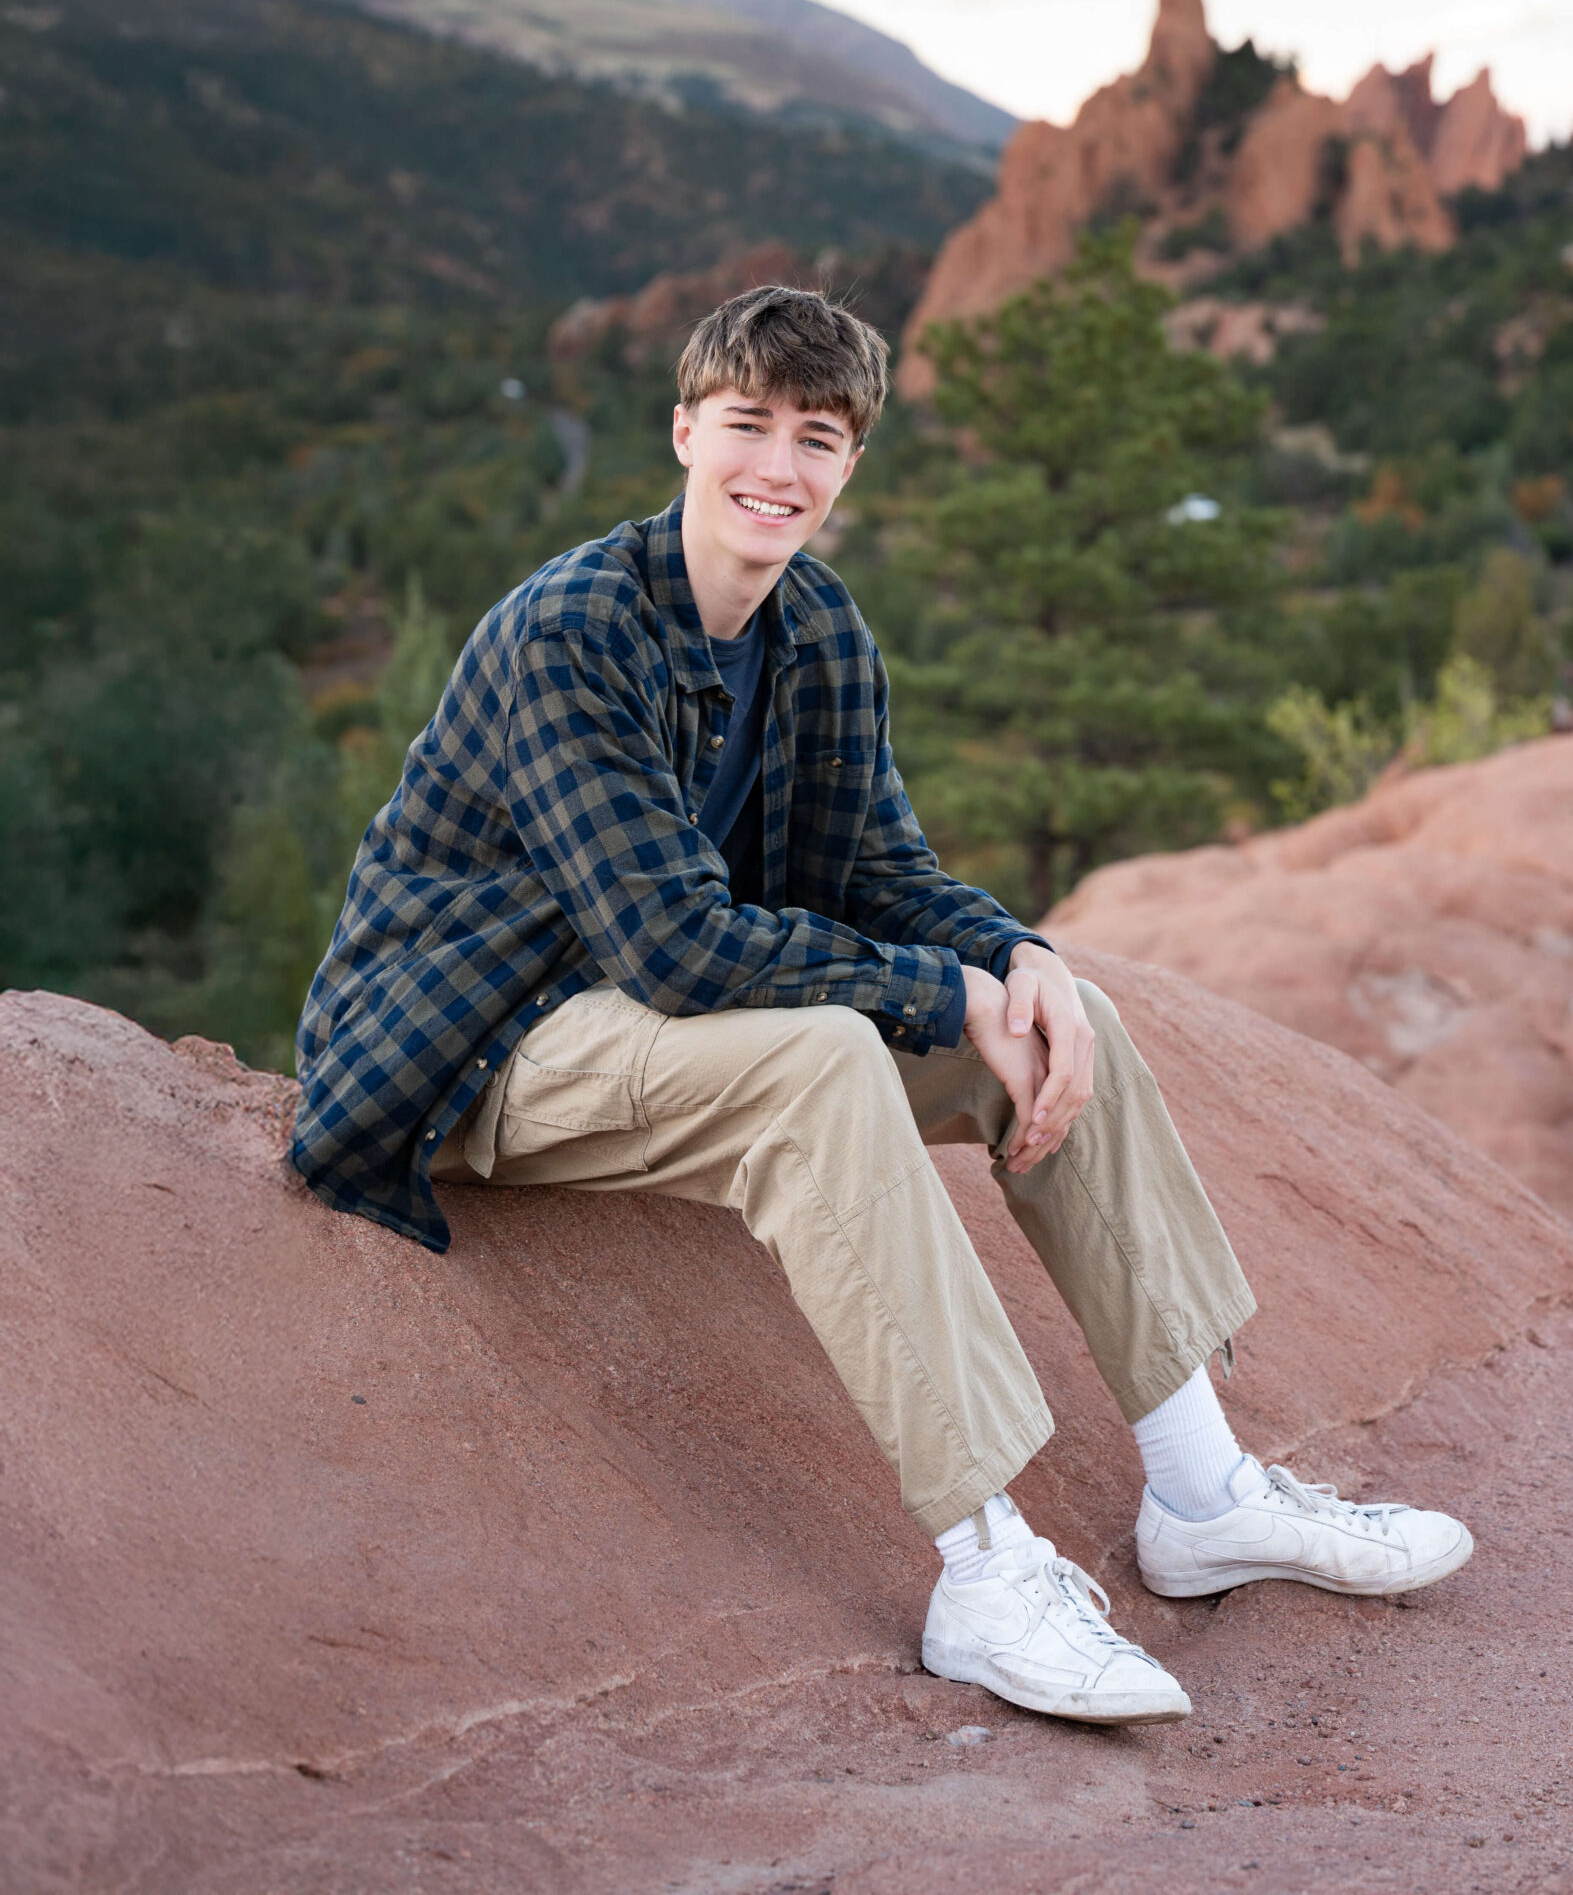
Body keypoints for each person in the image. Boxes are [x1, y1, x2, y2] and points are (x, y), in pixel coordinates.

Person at [293, 283, 1472, 1728]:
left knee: (1053, 1019)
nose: (777, 468)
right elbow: (672, 947)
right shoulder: (574, 634)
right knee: (827, 1061)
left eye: (819, 436)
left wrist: (1016, 958)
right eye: (747, 426)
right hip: (483, 1040)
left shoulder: (820, 634)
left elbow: (881, 870)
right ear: (682, 432)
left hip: (663, 1031)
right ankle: (983, 1573)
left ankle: (1203, 1490)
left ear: (852, 463)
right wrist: (937, 987)